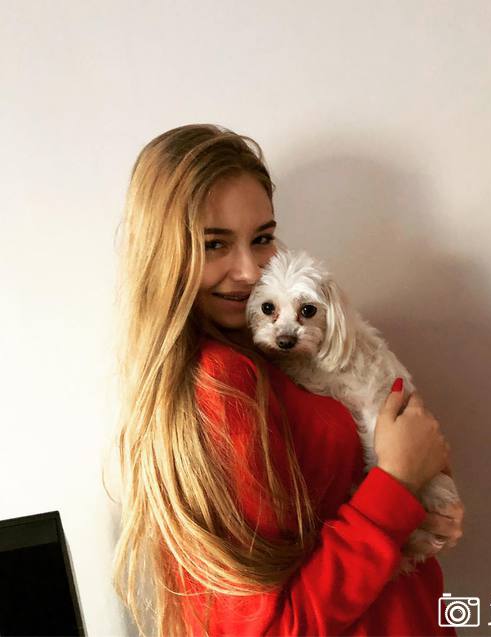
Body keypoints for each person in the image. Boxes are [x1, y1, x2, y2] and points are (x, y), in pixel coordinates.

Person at [110, 123, 465, 637]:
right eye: (214, 244)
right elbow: (278, 627)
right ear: (162, 255)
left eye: (262, 239)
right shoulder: (220, 383)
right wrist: (400, 482)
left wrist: (426, 496)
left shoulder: (270, 349)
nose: (250, 271)